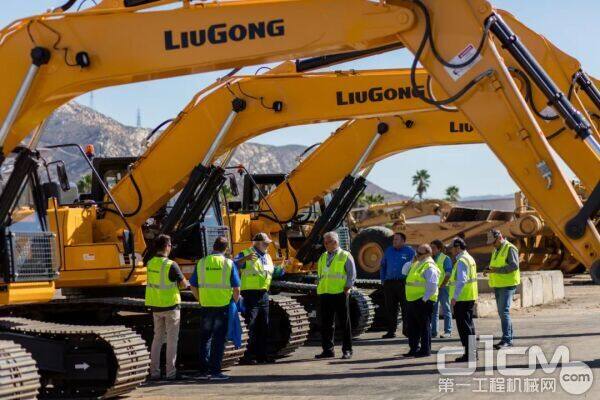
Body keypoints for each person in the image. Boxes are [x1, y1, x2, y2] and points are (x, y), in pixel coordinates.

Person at [190, 236, 241, 381]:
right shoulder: (228, 263)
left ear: (214, 246)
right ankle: (215, 372)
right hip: (222, 306)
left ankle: (203, 371)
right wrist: (235, 303)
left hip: (206, 306)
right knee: (218, 339)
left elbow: (193, 285)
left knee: (205, 338)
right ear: (226, 249)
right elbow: (236, 288)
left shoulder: (202, 262)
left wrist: (200, 298)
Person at [234, 232, 284, 365]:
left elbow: (271, 272)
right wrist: (245, 259)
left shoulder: (267, 256)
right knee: (250, 325)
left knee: (264, 326)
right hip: (250, 295)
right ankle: (247, 356)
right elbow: (232, 265)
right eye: (265, 243)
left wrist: (282, 270)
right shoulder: (246, 253)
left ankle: (262, 355)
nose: (268, 245)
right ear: (257, 243)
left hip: (264, 295)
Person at [144, 234, 189, 381]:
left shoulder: (150, 263)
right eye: (170, 245)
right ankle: (171, 373)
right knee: (171, 340)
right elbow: (184, 284)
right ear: (167, 246)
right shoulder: (171, 264)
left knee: (157, 339)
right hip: (171, 306)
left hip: (156, 306)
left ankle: (155, 373)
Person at [314, 231, 356, 360]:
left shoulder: (345, 255)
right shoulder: (323, 256)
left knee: (344, 323)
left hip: (340, 293)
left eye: (328, 242)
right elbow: (321, 274)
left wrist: (347, 287)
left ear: (335, 242)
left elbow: (352, 273)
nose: (325, 244)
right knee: (326, 324)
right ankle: (328, 350)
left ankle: (347, 350)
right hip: (325, 293)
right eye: (324, 242)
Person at [483, 229, 520, 349]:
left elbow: (514, 266)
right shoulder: (496, 249)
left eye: (493, 242)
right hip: (498, 285)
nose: (492, 245)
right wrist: (488, 268)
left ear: (499, 238)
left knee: (504, 312)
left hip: (507, 285)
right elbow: (497, 265)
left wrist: (495, 270)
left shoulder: (510, 248)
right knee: (502, 312)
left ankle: (507, 340)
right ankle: (507, 338)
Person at [402, 244, 439, 357]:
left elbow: (433, 285)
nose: (417, 255)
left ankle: (425, 350)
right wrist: (412, 261)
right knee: (413, 326)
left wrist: (424, 299)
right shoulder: (418, 263)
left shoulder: (429, 266)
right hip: (413, 299)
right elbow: (404, 271)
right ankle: (414, 348)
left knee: (424, 326)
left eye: (420, 253)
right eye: (416, 253)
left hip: (423, 300)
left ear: (428, 254)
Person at [380, 232, 416, 339]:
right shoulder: (389, 250)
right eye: (394, 239)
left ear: (403, 241)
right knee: (391, 308)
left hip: (403, 283)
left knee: (406, 308)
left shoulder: (410, 252)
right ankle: (391, 331)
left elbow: (414, 267)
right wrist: (383, 280)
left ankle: (407, 330)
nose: (394, 241)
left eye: (397, 239)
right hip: (389, 283)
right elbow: (383, 265)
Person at [449, 237, 479, 362]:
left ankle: (469, 354)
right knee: (469, 326)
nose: (451, 250)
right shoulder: (469, 258)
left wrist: (454, 297)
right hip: (469, 296)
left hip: (462, 298)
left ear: (457, 247)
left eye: (452, 248)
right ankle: (472, 353)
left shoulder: (462, 260)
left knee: (464, 327)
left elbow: (462, 280)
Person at [430, 239, 453, 338]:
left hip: (443, 287)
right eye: (430, 247)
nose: (431, 250)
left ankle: (447, 331)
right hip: (434, 288)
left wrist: (443, 285)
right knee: (434, 310)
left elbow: (448, 274)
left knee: (446, 309)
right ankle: (433, 332)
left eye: (433, 248)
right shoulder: (430, 259)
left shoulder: (445, 259)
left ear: (439, 249)